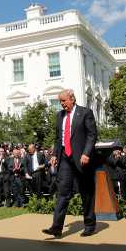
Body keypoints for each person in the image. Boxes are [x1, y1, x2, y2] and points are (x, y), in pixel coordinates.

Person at [42, 89, 97, 238]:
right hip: (65, 158)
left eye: (64, 101)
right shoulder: (59, 116)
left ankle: (90, 225)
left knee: (86, 192)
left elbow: (92, 135)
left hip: (81, 159)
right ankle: (57, 228)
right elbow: (58, 138)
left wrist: (86, 153)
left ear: (72, 98)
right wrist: (54, 154)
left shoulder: (85, 113)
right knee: (63, 192)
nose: (62, 104)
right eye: (60, 101)